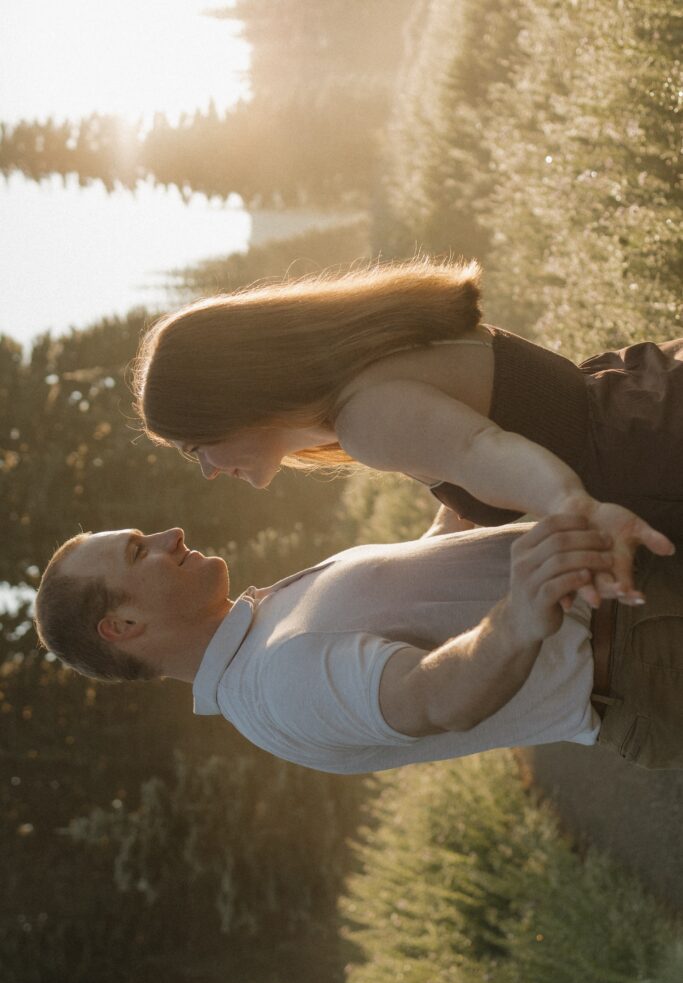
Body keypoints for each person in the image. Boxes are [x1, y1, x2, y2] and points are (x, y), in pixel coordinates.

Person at [132, 258, 682, 608]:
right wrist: (422, 557)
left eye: (195, 446)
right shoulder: (368, 359)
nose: (206, 467)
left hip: (651, 457)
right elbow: (469, 447)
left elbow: (483, 452)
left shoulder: (364, 420)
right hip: (643, 396)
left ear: (228, 403)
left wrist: (572, 507)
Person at [34, 513, 683, 773]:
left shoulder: (264, 635)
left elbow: (430, 601)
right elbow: (432, 697)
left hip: (639, 611)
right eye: (136, 550)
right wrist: (517, 615)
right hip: (647, 656)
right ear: (122, 628)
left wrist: (445, 504)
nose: (169, 535)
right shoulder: (275, 684)